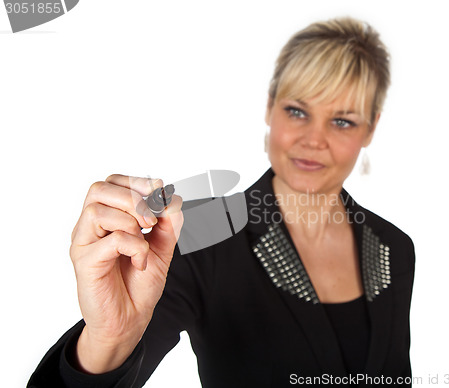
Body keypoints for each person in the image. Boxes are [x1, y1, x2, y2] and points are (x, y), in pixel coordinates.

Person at [28, 16, 415, 387]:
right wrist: (108, 340)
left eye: (342, 121)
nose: (313, 140)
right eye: (297, 111)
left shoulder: (394, 248)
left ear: (371, 128)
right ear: (270, 108)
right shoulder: (201, 228)